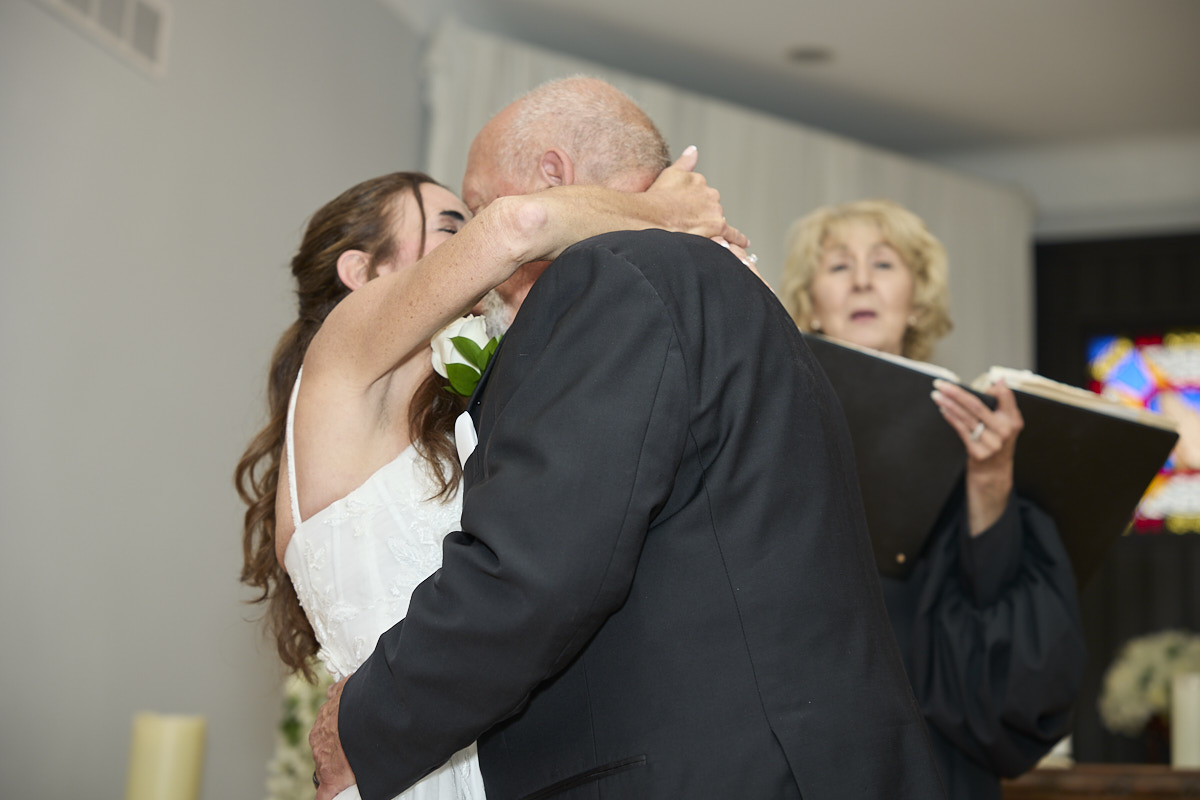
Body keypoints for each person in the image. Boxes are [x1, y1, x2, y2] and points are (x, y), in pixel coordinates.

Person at [312, 77, 946, 800]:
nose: (480, 276)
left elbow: (537, 567)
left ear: (553, 178)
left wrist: (366, 722)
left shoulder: (613, 276)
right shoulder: (726, 292)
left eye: (479, 208)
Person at [236, 162, 742, 800]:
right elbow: (518, 226)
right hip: (405, 764)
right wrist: (663, 211)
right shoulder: (343, 345)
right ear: (361, 270)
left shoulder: (437, 408)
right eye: (451, 227)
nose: (469, 238)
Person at [780, 198, 1087, 799]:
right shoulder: (771, 422)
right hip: (805, 742)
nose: (862, 281)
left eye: (883, 264)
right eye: (838, 266)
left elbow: (997, 621)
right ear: (809, 304)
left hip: (933, 749)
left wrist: (990, 481)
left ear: (917, 301)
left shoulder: (972, 433)